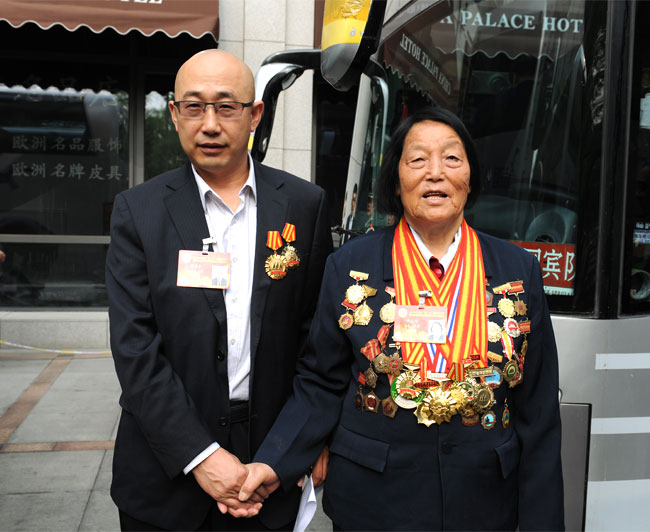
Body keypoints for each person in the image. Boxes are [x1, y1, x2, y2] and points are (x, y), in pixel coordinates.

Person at [239, 107, 564, 530]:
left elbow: (538, 410)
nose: (435, 173)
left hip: (484, 499)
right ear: (396, 180)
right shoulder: (350, 266)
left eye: (452, 158)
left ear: (470, 178)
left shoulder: (517, 269)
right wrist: (275, 461)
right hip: (374, 500)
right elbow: (320, 381)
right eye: (418, 159)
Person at [105, 49, 333, 531]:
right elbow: (134, 349)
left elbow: (317, 343)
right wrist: (201, 455)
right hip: (166, 472)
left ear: (255, 114)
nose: (209, 124)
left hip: (269, 468)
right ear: (174, 114)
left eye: (227, 107)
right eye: (193, 106)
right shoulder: (139, 211)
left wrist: (291, 449)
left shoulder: (304, 204)